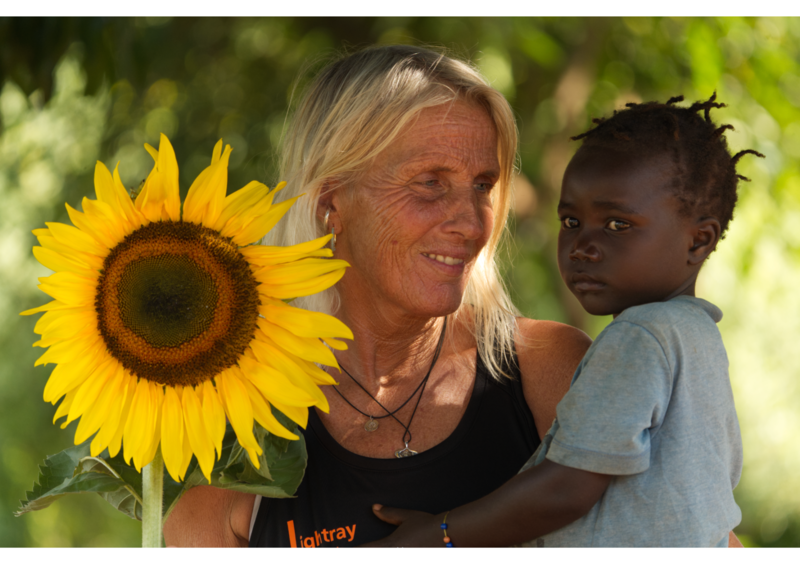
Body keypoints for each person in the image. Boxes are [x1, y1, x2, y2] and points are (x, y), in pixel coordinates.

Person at [163, 45, 592, 547]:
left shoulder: (550, 373)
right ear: (331, 204)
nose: (473, 223)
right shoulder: (229, 426)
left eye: (482, 185)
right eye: (430, 183)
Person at [366, 95, 762, 547]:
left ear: (699, 240)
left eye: (617, 225)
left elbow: (566, 489)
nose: (583, 246)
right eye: (572, 221)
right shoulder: (698, 336)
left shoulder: (636, 338)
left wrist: (438, 534)